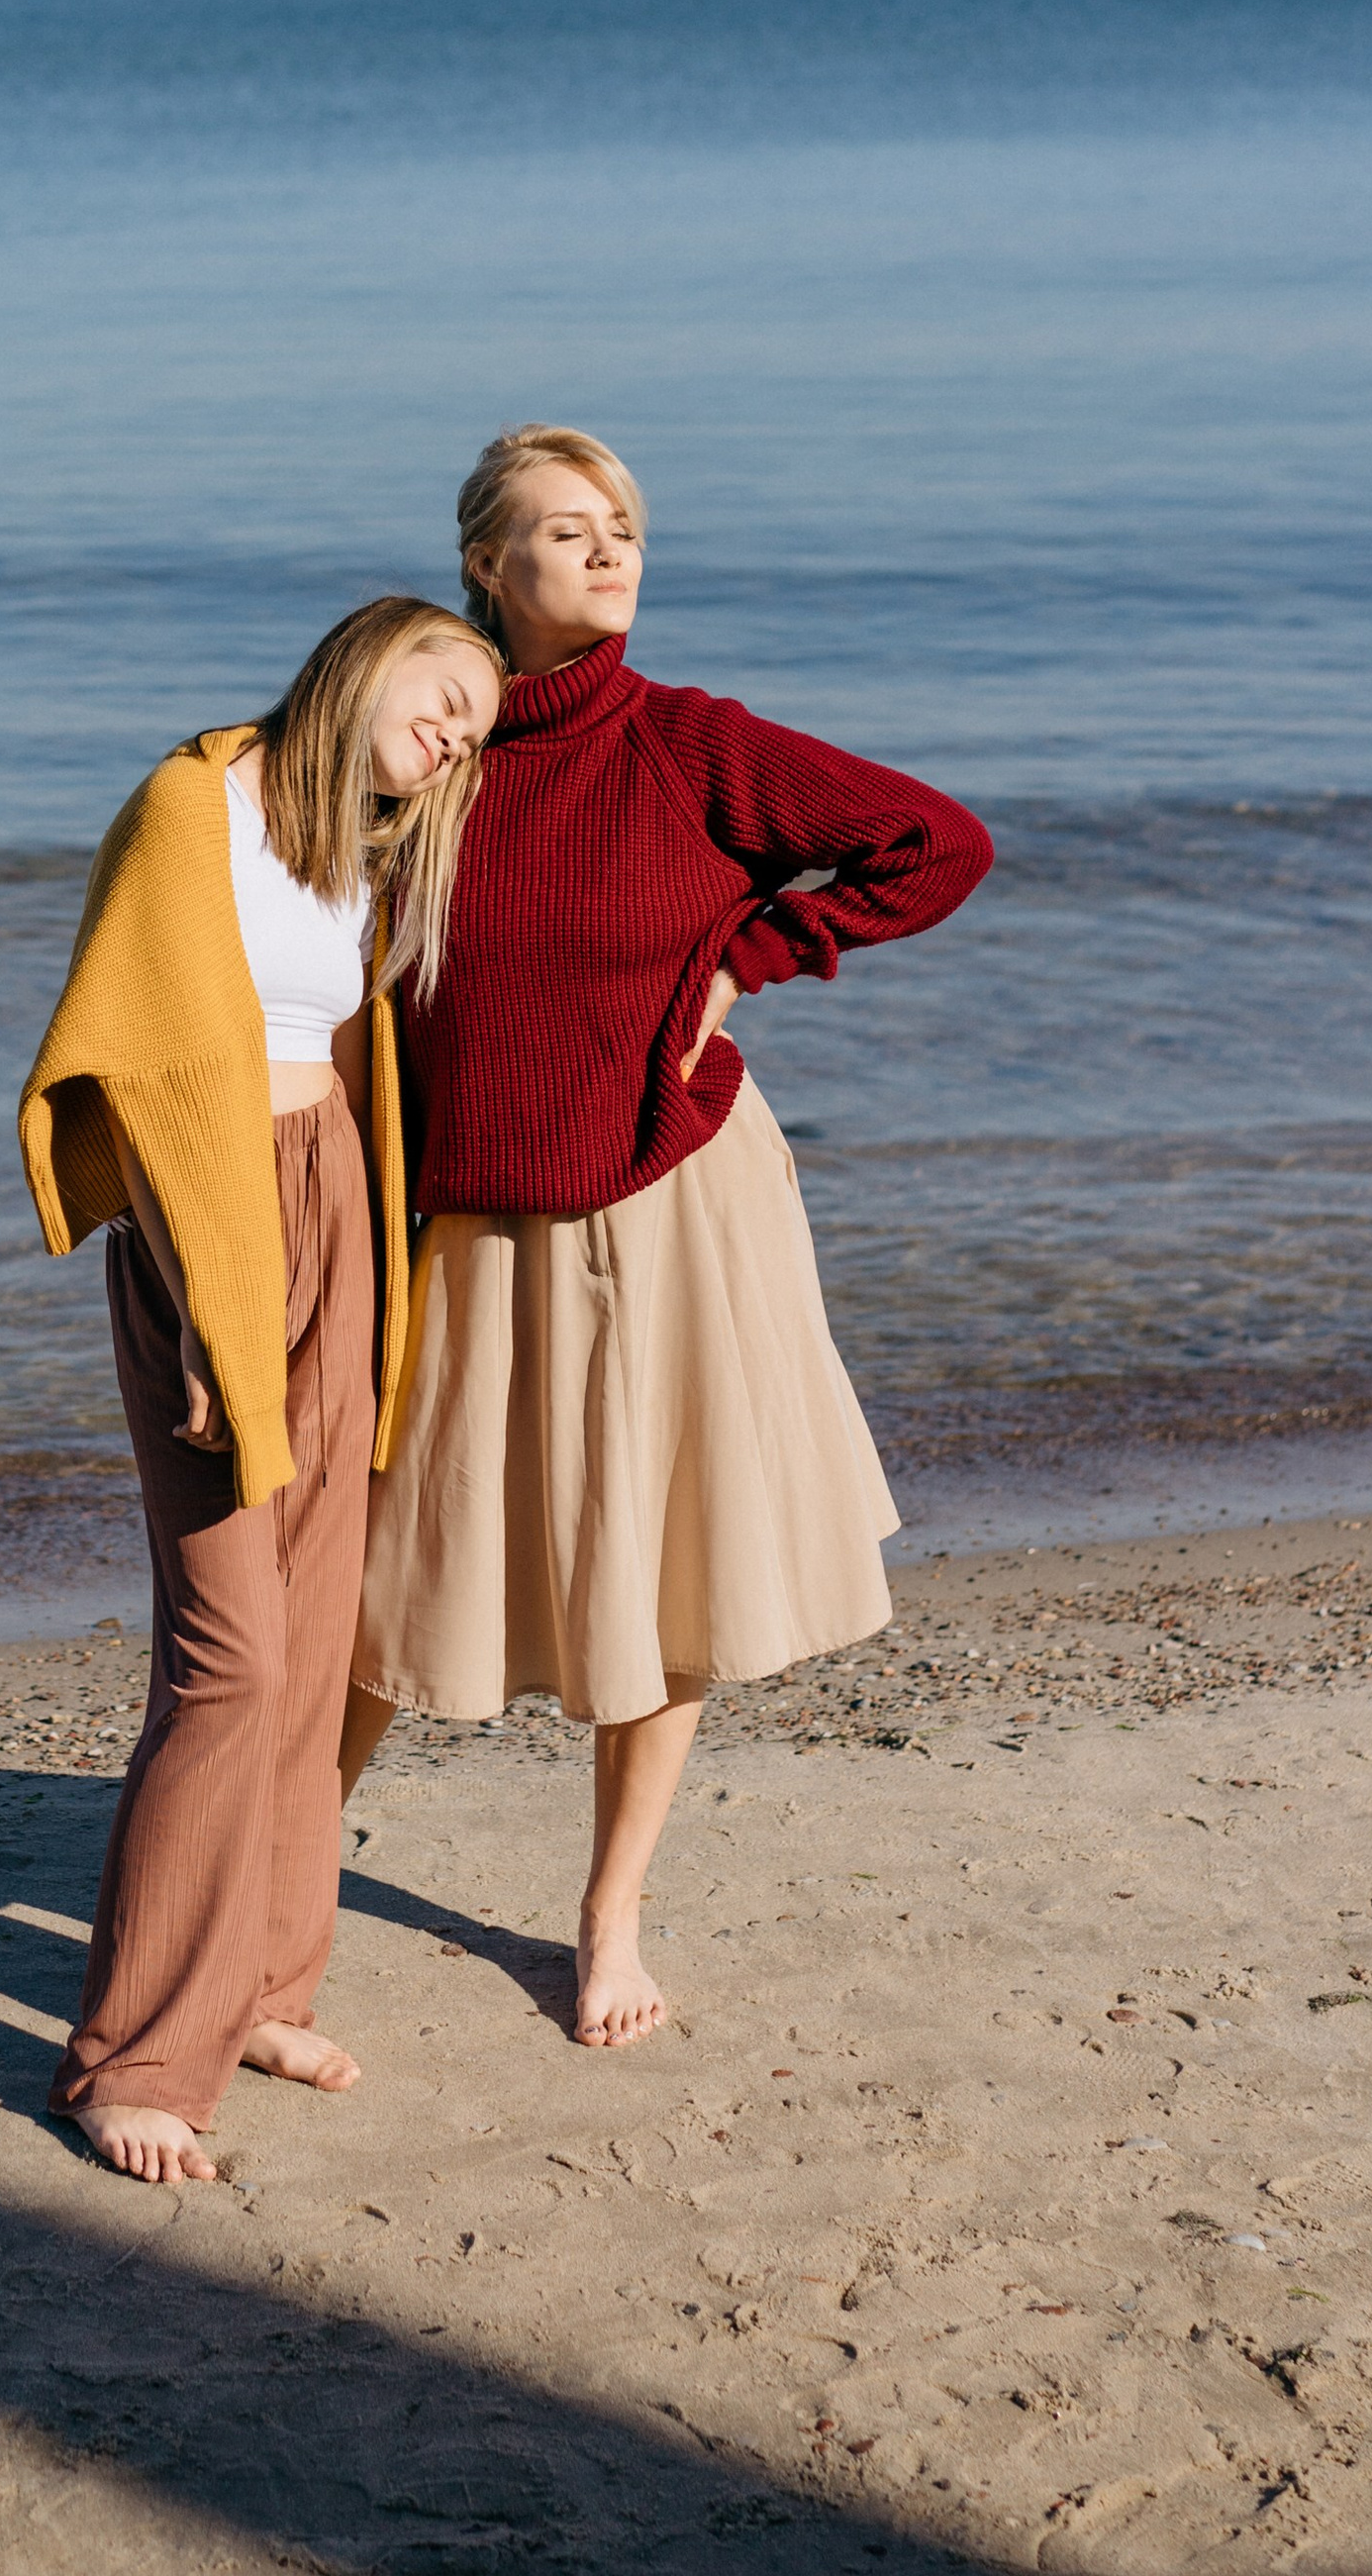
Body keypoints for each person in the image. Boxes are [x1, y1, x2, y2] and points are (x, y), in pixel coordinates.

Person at [343, 428, 991, 2048]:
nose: (611, 552)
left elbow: (935, 844)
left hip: (669, 1200)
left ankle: (608, 1916)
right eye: (568, 532)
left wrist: (758, 951)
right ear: (487, 568)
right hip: (468, 1218)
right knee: (383, 1582)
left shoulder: (697, 749)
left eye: (622, 526)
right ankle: (281, 1882)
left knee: (655, 1563)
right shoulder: (424, 753)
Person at [21, 595, 503, 2182]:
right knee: (228, 1659)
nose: (451, 736)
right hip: (209, 1230)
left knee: (311, 1649)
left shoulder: (353, 842)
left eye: (475, 730)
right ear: (365, 661)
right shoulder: (191, 806)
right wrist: (213, 1314)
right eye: (442, 696)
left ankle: (263, 1992)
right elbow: (135, 1077)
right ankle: (132, 2063)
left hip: (336, 1214)